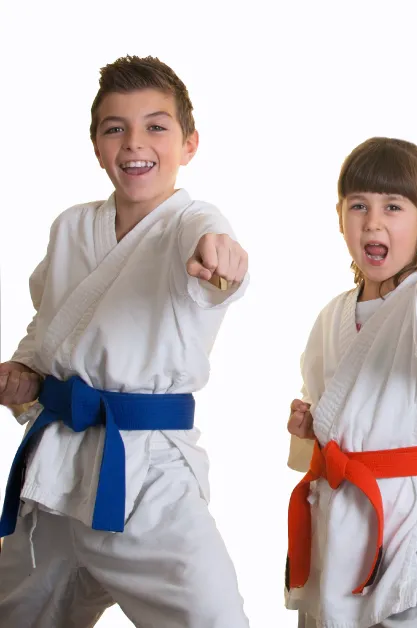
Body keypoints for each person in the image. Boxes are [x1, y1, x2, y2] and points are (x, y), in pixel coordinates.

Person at [0, 55, 252, 627]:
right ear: (97, 147)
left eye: (156, 126)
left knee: (213, 618)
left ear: (189, 144)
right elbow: (47, 325)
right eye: (116, 128)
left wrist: (221, 258)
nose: (135, 142)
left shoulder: (193, 223)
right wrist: (24, 373)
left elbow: (212, 254)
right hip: (56, 471)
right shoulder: (71, 226)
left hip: (146, 474)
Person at [285, 137, 417, 628]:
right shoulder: (331, 315)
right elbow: (324, 398)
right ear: (339, 217)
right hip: (340, 516)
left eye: (393, 206)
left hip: (413, 519)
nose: (373, 222)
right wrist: (309, 427)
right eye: (359, 206)